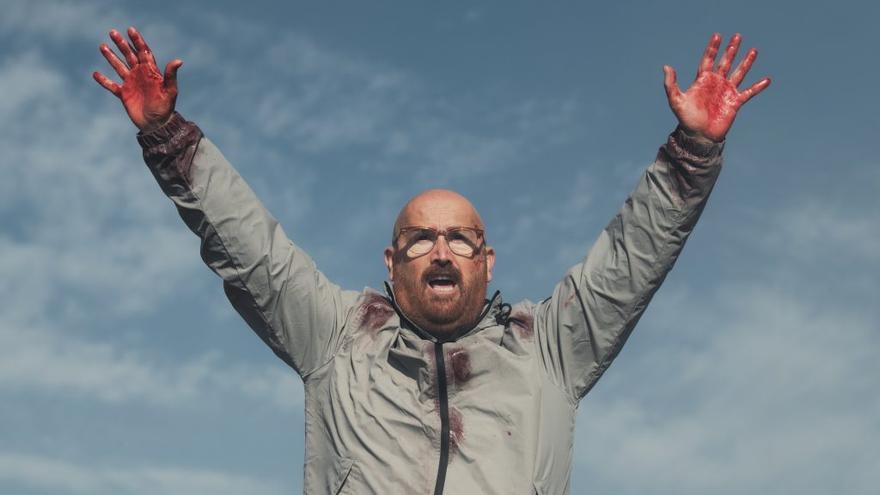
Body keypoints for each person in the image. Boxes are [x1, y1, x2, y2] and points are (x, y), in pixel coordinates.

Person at [94, 27, 770, 495]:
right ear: (392, 261)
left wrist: (692, 151)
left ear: (487, 257)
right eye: (421, 238)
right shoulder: (337, 337)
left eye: (459, 238)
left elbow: (633, 255)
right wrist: (166, 135)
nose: (441, 250)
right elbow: (249, 247)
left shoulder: (551, 349)